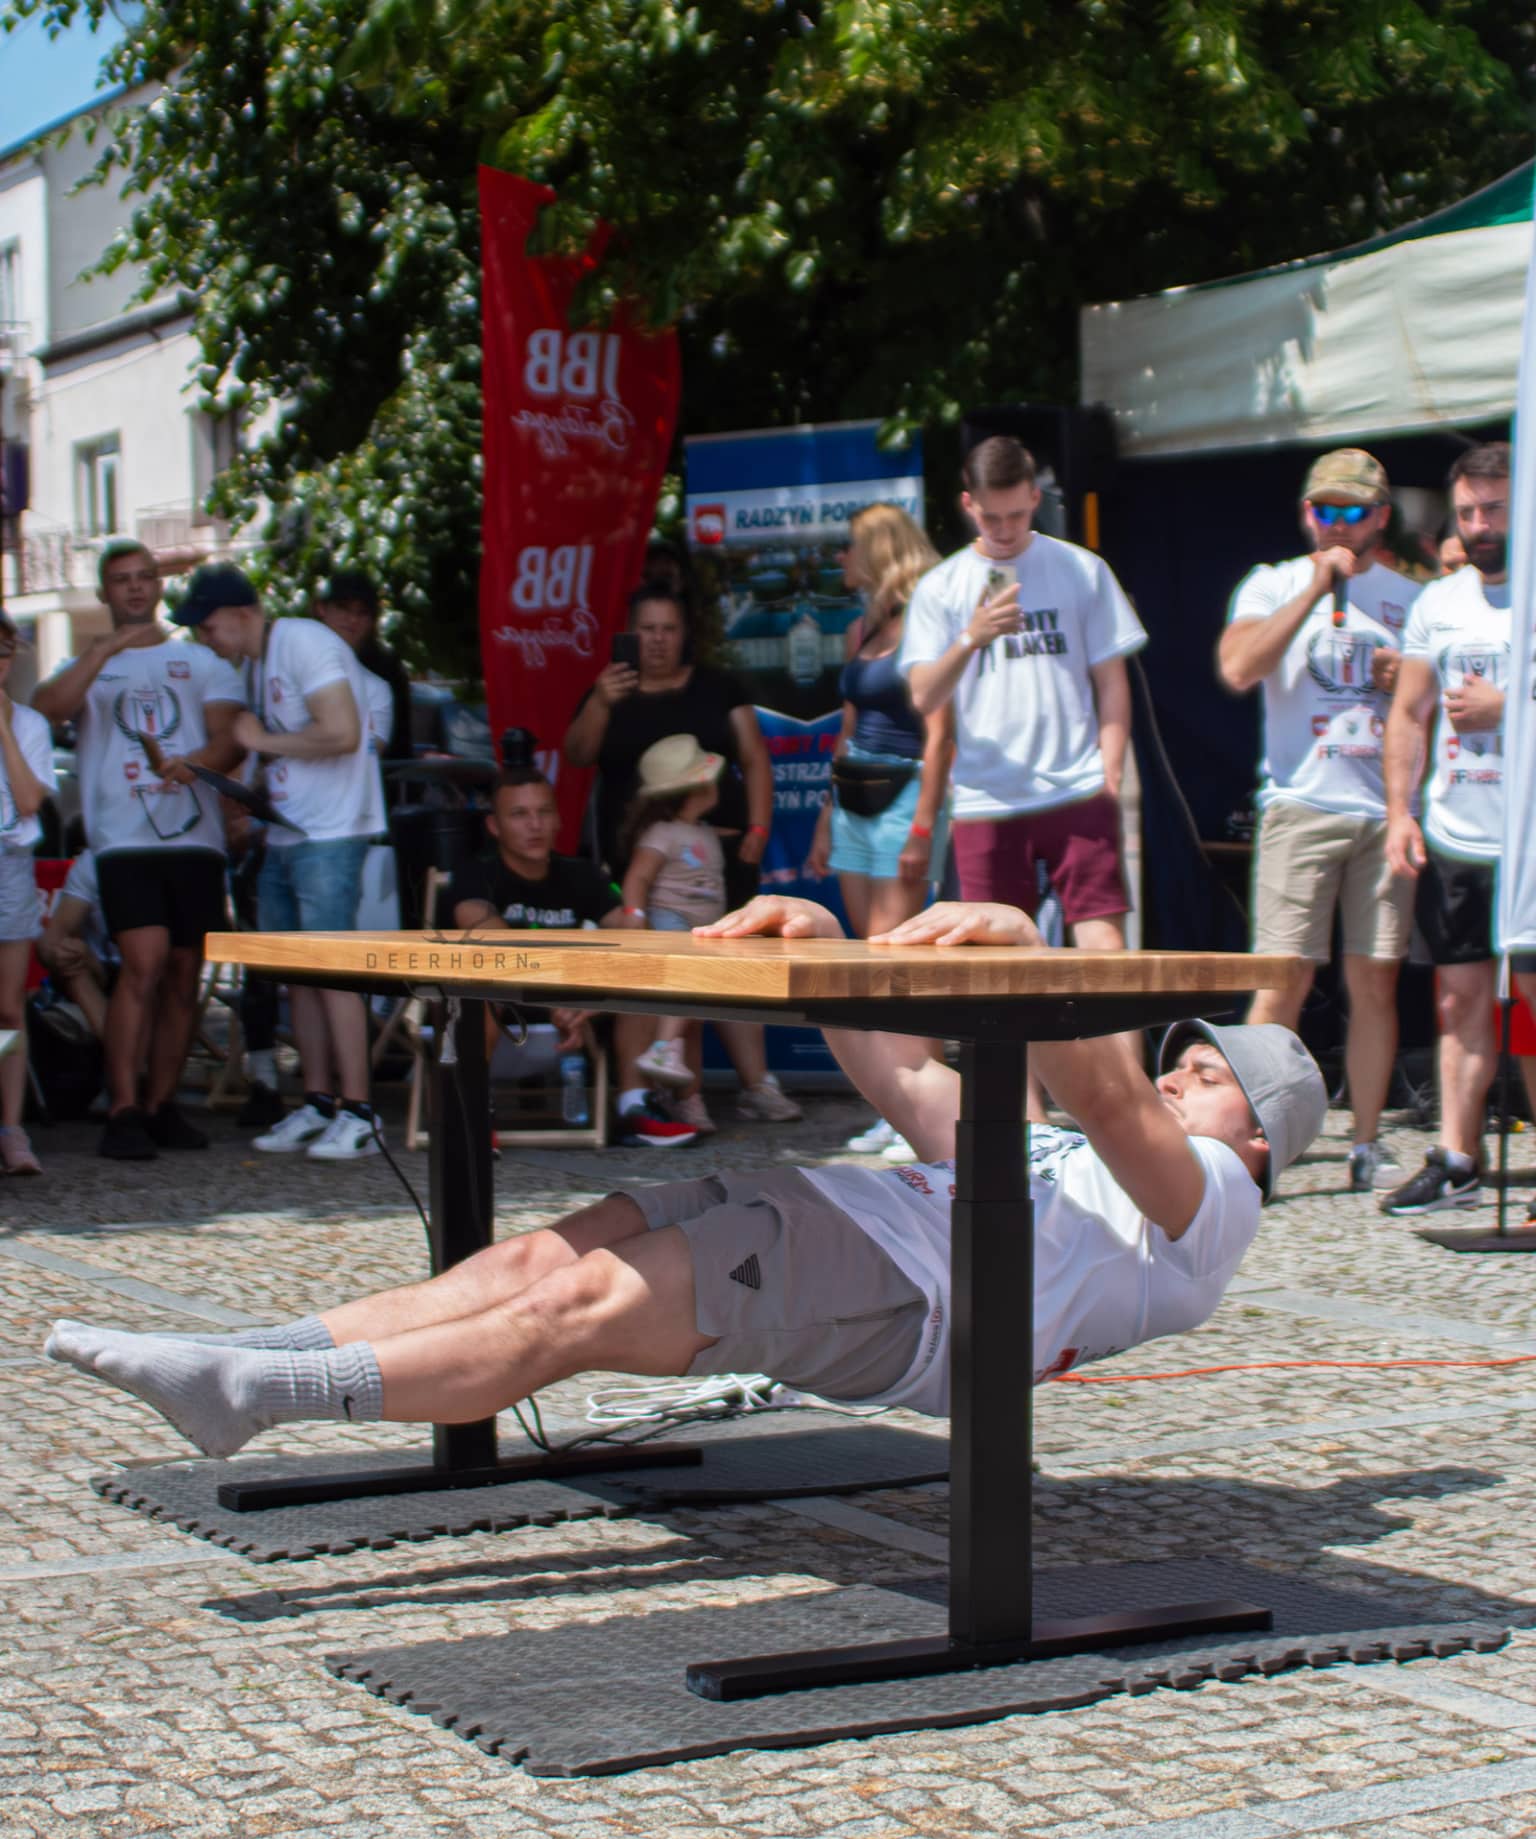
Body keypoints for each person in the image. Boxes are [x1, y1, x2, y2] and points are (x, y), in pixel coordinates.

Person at [44, 894, 1326, 1460]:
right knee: (535, 1259)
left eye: (1208, 1072)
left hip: (904, 1294)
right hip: (843, 1216)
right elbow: (900, 1080)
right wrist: (827, 933)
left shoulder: (1212, 1213)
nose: (1176, 1073)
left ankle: (260, 1393)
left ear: (1259, 1138)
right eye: (1183, 1056)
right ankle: (240, 1348)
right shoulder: (1069, 1159)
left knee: (573, 1316)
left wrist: (1033, 952)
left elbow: (1102, 1087)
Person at [900, 435, 1144, 1116]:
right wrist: (973, 635)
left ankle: (1128, 1111)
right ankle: (1024, 1131)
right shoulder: (943, 586)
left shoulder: (1080, 570)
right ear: (968, 505)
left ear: (1036, 497)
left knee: (1103, 945)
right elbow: (923, 695)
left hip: (1074, 785)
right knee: (994, 969)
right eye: (992, 518)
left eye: (1017, 515)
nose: (1006, 532)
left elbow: (1112, 682)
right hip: (984, 796)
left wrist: (1111, 771)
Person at [1217, 448, 1422, 1194]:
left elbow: (1437, 703)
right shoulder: (1271, 582)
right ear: (1306, 513)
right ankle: (1246, 1144)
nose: (1336, 524)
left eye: (1352, 512)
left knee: (1375, 981)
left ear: (1381, 517)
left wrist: (1407, 681)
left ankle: (1366, 1141)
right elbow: (1239, 668)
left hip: (1380, 809)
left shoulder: (1411, 596)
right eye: (1323, 510)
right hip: (1301, 805)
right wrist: (1312, 589)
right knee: (1282, 978)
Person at [31, 541, 246, 1161]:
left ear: (158, 585)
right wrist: (102, 651)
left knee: (183, 976)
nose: (134, 589)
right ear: (104, 593)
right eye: (120, 580)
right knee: (142, 965)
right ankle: (122, 1106)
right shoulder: (90, 662)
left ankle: (161, 1103)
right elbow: (46, 709)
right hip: (122, 841)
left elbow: (229, 739)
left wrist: (191, 765)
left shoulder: (199, 661)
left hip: (196, 842)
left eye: (144, 578)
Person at [563, 582, 801, 1131]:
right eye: (647, 629)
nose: (659, 640)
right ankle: (670, 1094)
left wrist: (760, 826)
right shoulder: (610, 689)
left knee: (738, 968)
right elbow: (577, 755)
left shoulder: (716, 686)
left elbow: (755, 758)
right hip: (644, 863)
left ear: (684, 634)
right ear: (630, 633)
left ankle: (755, 1085)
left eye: (669, 629)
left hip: (721, 851)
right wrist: (600, 700)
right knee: (661, 971)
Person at [179, 562, 389, 1162]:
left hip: (331, 832)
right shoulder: (261, 658)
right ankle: (319, 1099)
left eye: (208, 624)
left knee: (331, 969)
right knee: (296, 971)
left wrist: (261, 744)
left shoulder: (301, 641)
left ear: (243, 614)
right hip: (292, 831)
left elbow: (345, 731)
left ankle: (360, 1110)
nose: (204, 637)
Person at [1380, 443, 1536, 1214]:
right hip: (1457, 833)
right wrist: (1399, 814)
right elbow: (1408, 713)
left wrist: (1509, 713)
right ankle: (1458, 1156)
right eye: (1468, 511)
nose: (1480, 525)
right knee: (1458, 1001)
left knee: (1534, 1004)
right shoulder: (1438, 604)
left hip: (1531, 837)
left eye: (1495, 509)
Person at [808, 503, 952, 1163]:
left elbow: (942, 731)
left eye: (850, 547)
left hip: (904, 791)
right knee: (869, 962)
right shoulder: (862, 627)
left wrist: (925, 822)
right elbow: (844, 729)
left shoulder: (929, 619)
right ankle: (890, 1104)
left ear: (879, 550)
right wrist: (823, 817)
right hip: (855, 794)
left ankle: (919, 1106)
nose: (841, 559)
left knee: (900, 962)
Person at [438, 762, 637, 1117]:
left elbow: (634, 935)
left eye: (544, 812)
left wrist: (592, 996)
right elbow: (490, 938)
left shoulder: (580, 873)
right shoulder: (475, 873)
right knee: (478, 988)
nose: (535, 825)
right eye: (519, 814)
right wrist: (554, 997)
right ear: (494, 826)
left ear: (559, 820)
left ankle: (635, 1106)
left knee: (646, 976)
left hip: (572, 1003)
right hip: (507, 1001)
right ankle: (471, 1113)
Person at [622, 735, 728, 1105]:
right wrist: (635, 913)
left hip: (703, 931)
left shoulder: (702, 831)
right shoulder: (661, 833)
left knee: (693, 1012)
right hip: (672, 921)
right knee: (683, 991)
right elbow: (638, 877)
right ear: (693, 790)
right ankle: (662, 1048)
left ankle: (685, 1095)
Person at [0, 612, 56, 1173]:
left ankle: (12, 1129)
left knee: (8, 1004)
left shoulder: (30, 726)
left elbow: (29, 801)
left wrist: (2, 724)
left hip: (10, 862)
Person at [313, 570, 414, 767]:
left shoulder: (387, 670)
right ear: (322, 609)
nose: (352, 620)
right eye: (344, 609)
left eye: (362, 613)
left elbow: (396, 745)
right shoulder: (300, 655)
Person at [36, 847, 116, 1043]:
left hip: (151, 971)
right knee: (68, 959)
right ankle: (126, 1056)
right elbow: (49, 943)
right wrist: (76, 954)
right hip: (99, 970)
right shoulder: (94, 860)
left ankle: (127, 1058)